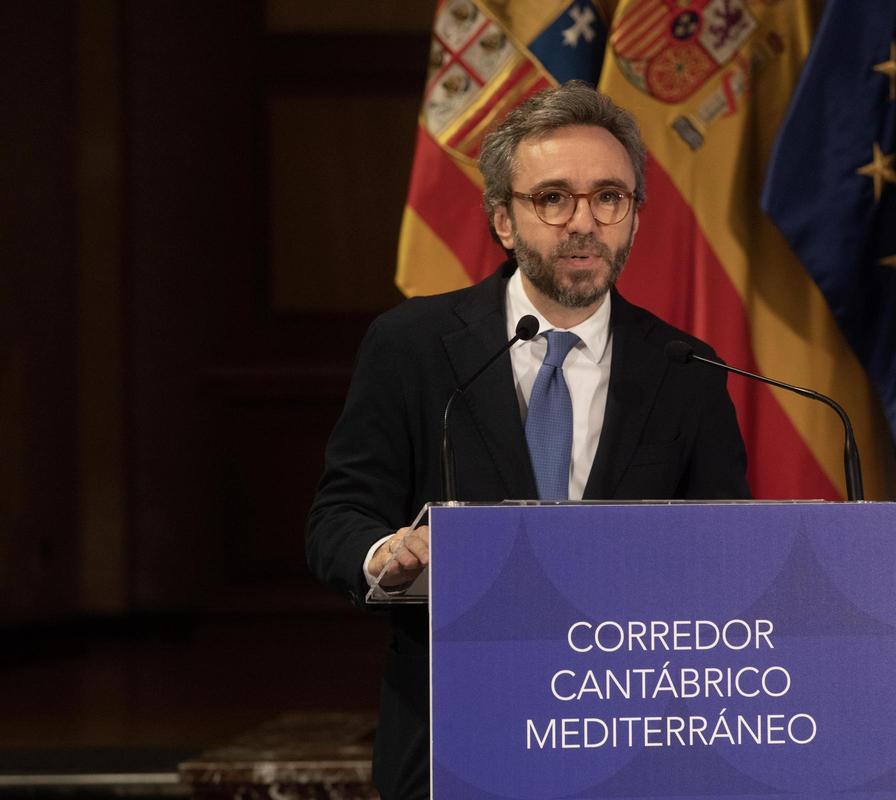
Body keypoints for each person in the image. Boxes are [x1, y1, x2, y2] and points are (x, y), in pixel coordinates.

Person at [306, 80, 750, 800]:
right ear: (504, 222)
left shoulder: (686, 368)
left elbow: (727, 550)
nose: (584, 223)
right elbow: (336, 519)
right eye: (553, 198)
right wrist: (383, 553)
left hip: (630, 740)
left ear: (635, 218)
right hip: (455, 731)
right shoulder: (413, 345)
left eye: (609, 197)